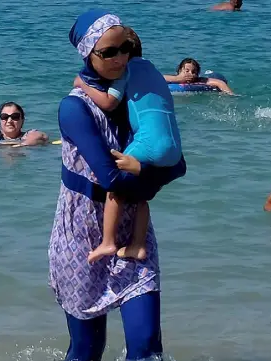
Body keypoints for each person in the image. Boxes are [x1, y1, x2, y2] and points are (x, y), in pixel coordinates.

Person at [49, 10, 186, 361]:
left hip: (133, 232)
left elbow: (178, 163)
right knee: (87, 350)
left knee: (146, 348)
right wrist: (149, 179)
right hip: (82, 234)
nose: (120, 59)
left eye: (125, 48)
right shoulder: (74, 109)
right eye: (108, 53)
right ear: (87, 54)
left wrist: (146, 172)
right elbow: (109, 177)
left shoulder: (136, 97)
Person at [73, 27, 182, 263]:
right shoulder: (151, 68)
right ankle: (138, 245)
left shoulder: (126, 70)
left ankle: (108, 242)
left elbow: (109, 103)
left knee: (116, 188)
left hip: (148, 142)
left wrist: (83, 85)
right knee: (141, 194)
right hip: (174, 147)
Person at [163, 58, 234, 95]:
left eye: (193, 72)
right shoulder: (173, 79)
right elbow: (157, 78)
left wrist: (230, 95)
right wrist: (178, 79)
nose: (190, 74)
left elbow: (220, 83)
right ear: (180, 70)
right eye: (187, 71)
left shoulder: (199, 81)